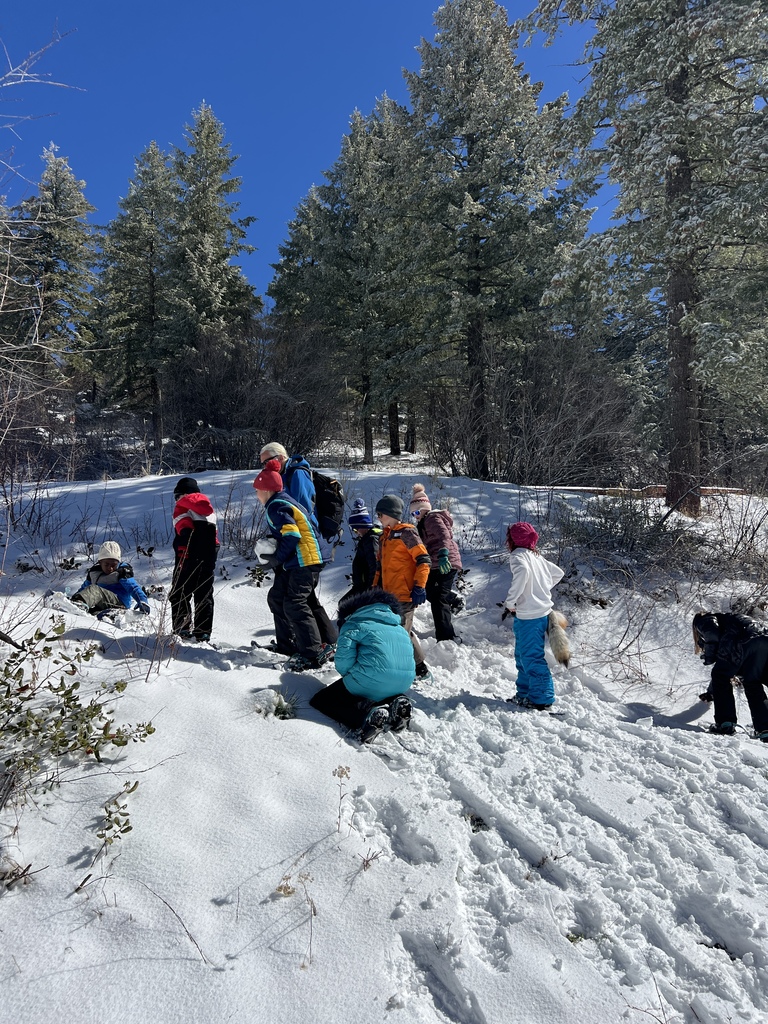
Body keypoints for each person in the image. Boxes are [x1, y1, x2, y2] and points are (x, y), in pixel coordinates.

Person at [253, 458, 333, 672]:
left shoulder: (276, 505)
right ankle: (287, 646)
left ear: (267, 490)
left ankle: (313, 652)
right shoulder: (281, 501)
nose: (256, 495)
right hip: (301, 559)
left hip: (306, 559)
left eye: (258, 490)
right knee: (277, 597)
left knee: (295, 603)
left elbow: (292, 534)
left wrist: (278, 557)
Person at [309, 589, 415, 743]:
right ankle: (398, 702)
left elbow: (343, 662)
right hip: (403, 683)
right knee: (378, 688)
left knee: (322, 700)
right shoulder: (399, 628)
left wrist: (350, 676)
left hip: (371, 680)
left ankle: (366, 717)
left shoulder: (353, 623)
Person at [503, 521, 564, 710]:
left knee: (531, 656)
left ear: (512, 540)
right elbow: (558, 573)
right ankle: (524, 693)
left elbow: (522, 573)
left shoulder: (518, 556)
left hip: (529, 615)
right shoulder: (536, 556)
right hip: (538, 613)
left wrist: (511, 601)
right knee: (522, 655)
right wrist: (540, 591)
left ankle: (542, 698)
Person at [373, 494, 432, 680]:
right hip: (388, 595)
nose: (378, 518)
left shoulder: (406, 533)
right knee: (400, 631)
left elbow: (423, 560)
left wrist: (419, 586)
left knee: (400, 634)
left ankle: (415, 670)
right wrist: (375, 588)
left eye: (381, 514)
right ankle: (415, 667)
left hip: (405, 594)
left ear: (391, 514)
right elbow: (380, 568)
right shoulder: (385, 537)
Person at [693, 612, 768, 741]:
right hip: (763, 640)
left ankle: (725, 724)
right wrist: (711, 693)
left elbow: (711, 633)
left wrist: (709, 657)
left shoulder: (704, 619)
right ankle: (765, 729)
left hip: (742, 641)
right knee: (752, 682)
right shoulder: (730, 619)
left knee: (720, 675)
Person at [410, 483, 462, 642]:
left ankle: (447, 638)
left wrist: (443, 554)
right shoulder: (423, 522)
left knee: (438, 599)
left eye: (418, 511)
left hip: (446, 561)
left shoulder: (432, 518)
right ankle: (453, 599)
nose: (416, 515)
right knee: (427, 589)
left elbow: (444, 536)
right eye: (414, 513)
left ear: (426, 507)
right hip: (435, 563)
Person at [169, 477, 219, 642]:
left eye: (176, 496)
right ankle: (203, 632)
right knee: (204, 594)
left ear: (181, 494)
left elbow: (185, 528)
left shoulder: (181, 505)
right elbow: (215, 539)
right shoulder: (209, 510)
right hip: (208, 557)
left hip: (187, 556)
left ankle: (181, 629)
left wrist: (183, 551)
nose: (176, 500)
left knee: (179, 593)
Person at [70, 541, 150, 618]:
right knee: (91, 611)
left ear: (118, 563)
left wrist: (142, 600)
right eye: (106, 564)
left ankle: (79, 605)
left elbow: (133, 587)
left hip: (119, 604)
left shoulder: (122, 572)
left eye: (114, 565)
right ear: (100, 562)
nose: (110, 568)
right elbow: (84, 589)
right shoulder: (94, 573)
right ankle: (105, 615)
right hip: (102, 605)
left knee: (95, 590)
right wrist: (75, 598)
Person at [339, 499, 382, 604]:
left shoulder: (371, 540)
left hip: (367, 588)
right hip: (363, 586)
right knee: (344, 604)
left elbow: (375, 565)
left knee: (345, 604)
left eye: (355, 529)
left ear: (362, 526)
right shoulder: (367, 539)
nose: (356, 533)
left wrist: (371, 589)